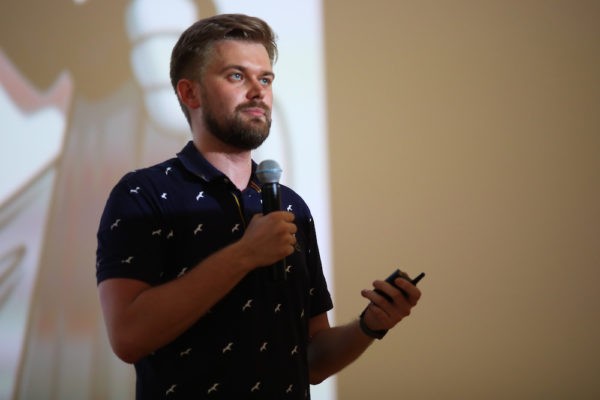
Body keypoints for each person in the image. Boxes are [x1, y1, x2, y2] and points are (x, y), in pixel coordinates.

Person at [96, 13, 422, 399]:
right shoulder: (143, 194)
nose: (258, 92)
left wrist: (370, 325)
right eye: (237, 76)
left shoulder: (291, 206)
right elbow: (128, 338)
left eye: (265, 79)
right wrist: (245, 254)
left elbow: (313, 361)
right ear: (189, 93)